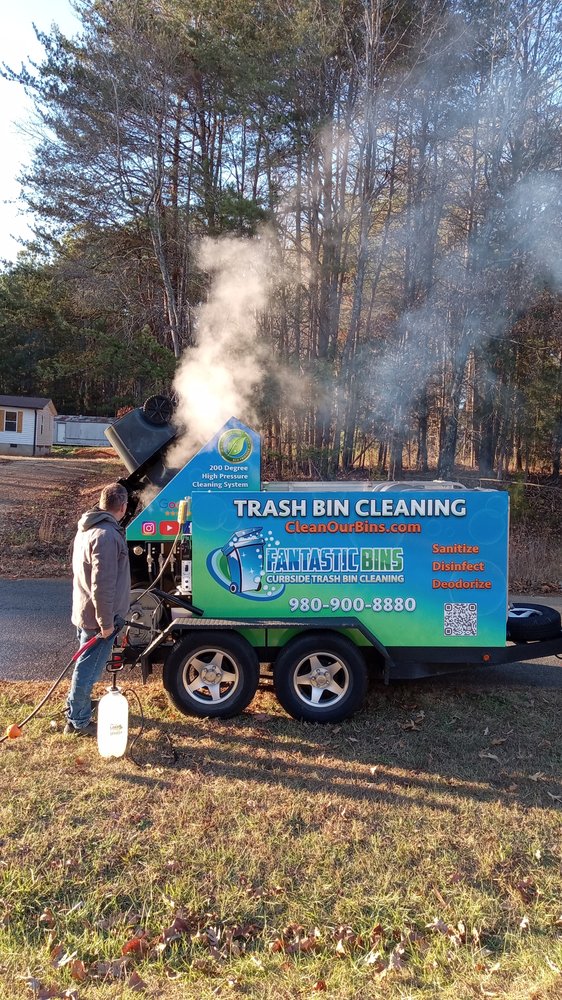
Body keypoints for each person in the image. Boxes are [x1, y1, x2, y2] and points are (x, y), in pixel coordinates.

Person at [65, 482, 131, 735]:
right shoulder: (106, 535)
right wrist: (106, 623)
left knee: (84, 665)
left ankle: (76, 707)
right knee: (88, 670)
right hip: (98, 619)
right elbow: (101, 585)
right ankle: (78, 721)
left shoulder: (88, 528)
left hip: (85, 613)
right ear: (123, 506)